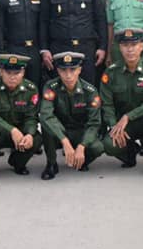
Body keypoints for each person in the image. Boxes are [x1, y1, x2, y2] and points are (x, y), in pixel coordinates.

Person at [100, 28, 143, 179]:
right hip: (122, 126)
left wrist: (128, 116)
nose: (130, 50)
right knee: (109, 145)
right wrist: (113, 125)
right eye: (125, 45)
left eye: (134, 45)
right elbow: (107, 104)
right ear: (119, 48)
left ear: (141, 46)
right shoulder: (111, 73)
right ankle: (129, 152)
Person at [39, 0, 108, 85]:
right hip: (59, 48)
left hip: (86, 49)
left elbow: (100, 20)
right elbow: (43, 22)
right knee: (59, 89)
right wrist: (44, 49)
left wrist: (102, 47)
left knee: (87, 87)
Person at [38, 51, 104, 180]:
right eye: (63, 70)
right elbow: (46, 115)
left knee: (98, 147)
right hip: (59, 131)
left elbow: (94, 123)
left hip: (79, 132)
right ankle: (51, 164)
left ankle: (81, 160)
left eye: (72, 70)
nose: (68, 75)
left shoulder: (89, 91)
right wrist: (64, 141)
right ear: (57, 70)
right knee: (47, 127)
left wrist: (82, 145)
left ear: (79, 70)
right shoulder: (51, 87)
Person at [0, 54, 43, 183]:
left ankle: (17, 163)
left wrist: (29, 134)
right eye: (8, 72)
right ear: (1, 71)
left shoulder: (31, 89)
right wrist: (12, 130)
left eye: (17, 72)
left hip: (20, 134)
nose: (12, 77)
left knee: (37, 138)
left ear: (23, 72)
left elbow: (31, 116)